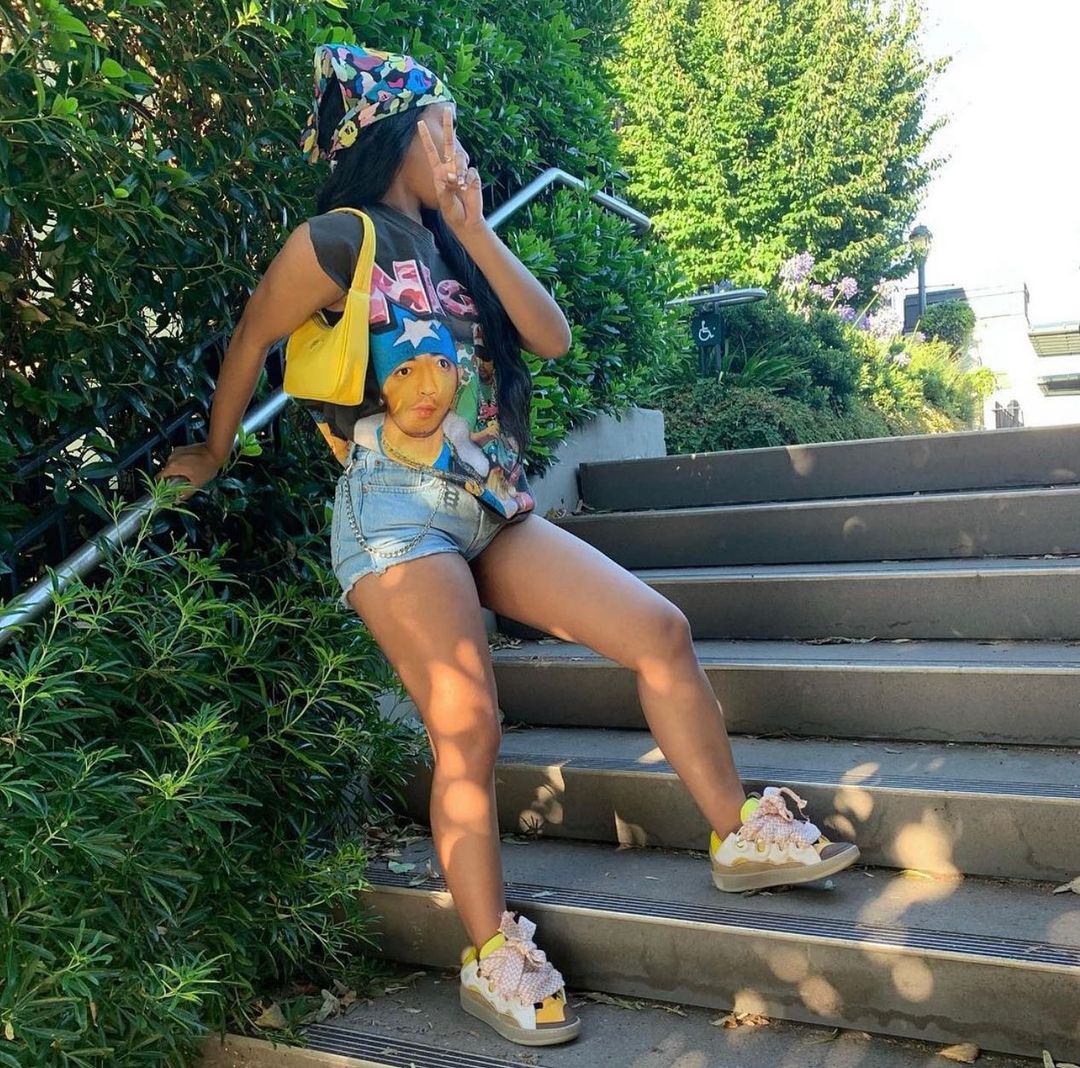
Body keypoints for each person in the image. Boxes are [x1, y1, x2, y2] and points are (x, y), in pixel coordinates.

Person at [158, 43, 860, 1048]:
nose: (458, 140)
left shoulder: (453, 242)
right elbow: (251, 337)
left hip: (491, 504)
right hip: (394, 513)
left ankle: (738, 833)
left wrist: (474, 228)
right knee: (468, 722)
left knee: (659, 630)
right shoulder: (340, 239)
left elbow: (551, 334)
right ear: (400, 134)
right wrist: (215, 449)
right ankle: (491, 955)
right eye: (443, 124)